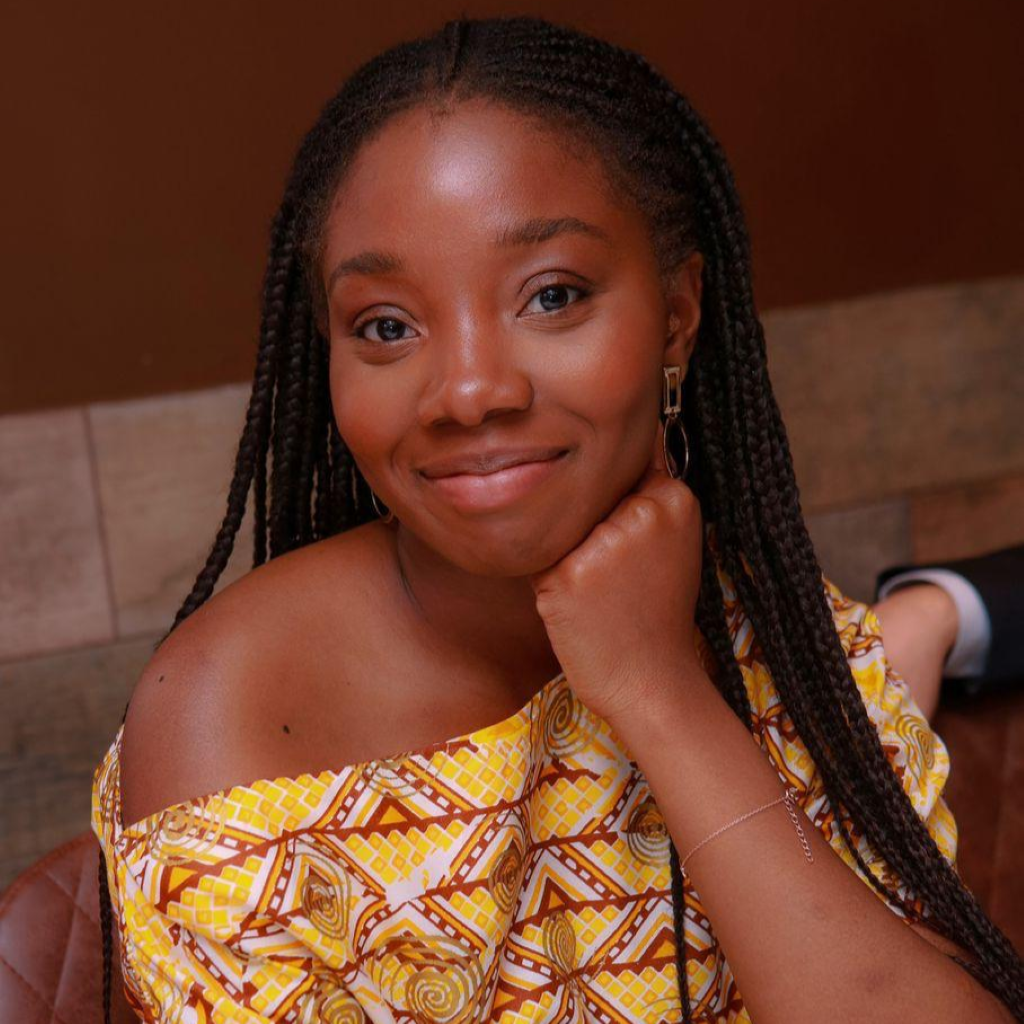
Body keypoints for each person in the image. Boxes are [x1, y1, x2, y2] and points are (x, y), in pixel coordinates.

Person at [91, 14, 1023, 1023]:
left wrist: (660, 692)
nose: (469, 391)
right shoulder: (232, 712)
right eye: (387, 325)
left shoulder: (776, 635)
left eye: (551, 296)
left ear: (677, 316)